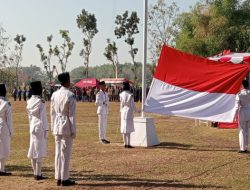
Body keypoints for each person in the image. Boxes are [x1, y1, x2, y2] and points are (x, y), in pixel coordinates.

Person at [51, 72, 76, 186]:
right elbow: (71, 115)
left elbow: (52, 113)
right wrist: (73, 130)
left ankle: (58, 177)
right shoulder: (70, 95)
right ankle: (65, 178)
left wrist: (52, 127)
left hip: (57, 124)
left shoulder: (54, 95)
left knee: (58, 152)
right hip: (66, 124)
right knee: (65, 153)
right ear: (67, 81)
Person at [27, 81, 48, 180]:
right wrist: (46, 129)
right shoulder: (41, 101)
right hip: (40, 125)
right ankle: (38, 174)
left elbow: (29, 117)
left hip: (32, 125)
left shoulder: (29, 100)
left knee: (33, 149)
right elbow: (43, 117)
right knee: (39, 150)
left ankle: (35, 172)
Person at [119, 82, 140, 148]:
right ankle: (128, 143)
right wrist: (137, 111)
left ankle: (125, 143)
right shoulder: (130, 94)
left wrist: (121, 111)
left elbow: (121, 104)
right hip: (129, 111)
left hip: (123, 111)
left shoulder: (121, 94)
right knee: (128, 128)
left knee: (123, 127)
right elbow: (133, 105)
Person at [0, 84, 13, 176]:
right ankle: (2, 169)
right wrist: (11, 131)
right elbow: (9, 119)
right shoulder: (6, 103)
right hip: (3, 126)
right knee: (4, 148)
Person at [236, 80, 250, 153]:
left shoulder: (239, 94)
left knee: (242, 130)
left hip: (243, 112)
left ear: (242, 85)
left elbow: (236, 106)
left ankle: (242, 148)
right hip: (249, 111)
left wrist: (234, 115)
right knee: (247, 130)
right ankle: (246, 147)